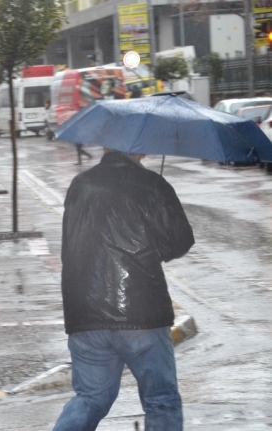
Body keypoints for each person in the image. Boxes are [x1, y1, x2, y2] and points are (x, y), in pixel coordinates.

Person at [52, 149, 195, 431]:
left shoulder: (80, 184)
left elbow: (71, 244)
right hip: (141, 313)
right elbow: (179, 242)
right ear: (140, 149)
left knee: (91, 398)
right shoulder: (152, 184)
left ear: (106, 147)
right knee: (161, 401)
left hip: (85, 312)